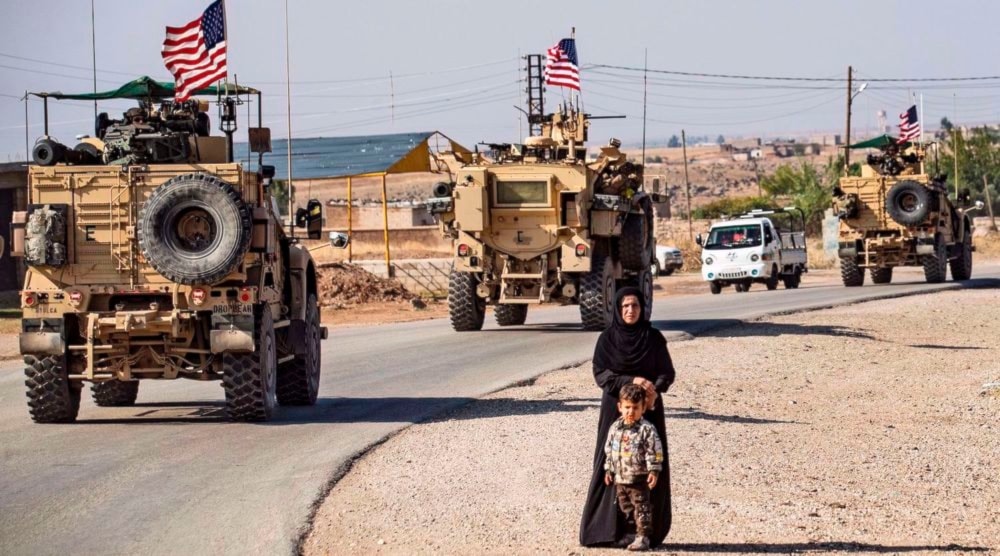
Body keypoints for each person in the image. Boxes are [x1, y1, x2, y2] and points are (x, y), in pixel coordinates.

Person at [580, 287, 675, 548]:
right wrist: (632, 381)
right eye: (625, 307)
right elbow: (601, 375)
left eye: (634, 306)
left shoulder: (653, 338)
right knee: (611, 462)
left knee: (648, 464)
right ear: (617, 310)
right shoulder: (607, 339)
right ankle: (607, 530)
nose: (630, 310)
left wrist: (652, 391)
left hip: (650, 410)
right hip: (615, 409)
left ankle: (645, 531)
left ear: (642, 308)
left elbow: (667, 373)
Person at [603, 383, 664, 551]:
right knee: (626, 507)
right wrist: (609, 469)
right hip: (621, 477)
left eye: (635, 408)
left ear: (643, 408)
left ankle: (643, 536)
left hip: (638, 477)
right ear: (620, 407)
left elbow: (655, 451)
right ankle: (630, 533)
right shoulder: (615, 428)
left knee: (641, 507)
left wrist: (654, 470)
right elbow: (610, 450)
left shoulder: (646, 429)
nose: (631, 411)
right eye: (627, 407)